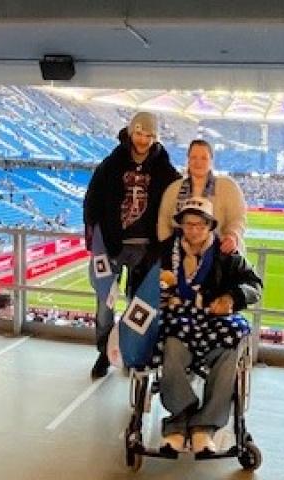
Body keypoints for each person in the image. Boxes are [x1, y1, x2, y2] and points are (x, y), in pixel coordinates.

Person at [142, 197, 262, 455]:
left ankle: (204, 427)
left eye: (200, 224)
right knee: (170, 344)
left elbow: (254, 285)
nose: (194, 230)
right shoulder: (165, 252)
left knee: (230, 349)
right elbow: (141, 282)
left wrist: (231, 298)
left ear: (210, 226)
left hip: (214, 321)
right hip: (178, 320)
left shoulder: (226, 254)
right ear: (181, 225)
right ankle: (178, 422)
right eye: (189, 224)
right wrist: (160, 286)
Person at [84, 112, 181, 378]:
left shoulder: (165, 169)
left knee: (138, 305)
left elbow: (175, 203)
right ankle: (104, 352)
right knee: (105, 304)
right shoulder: (111, 163)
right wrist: (95, 235)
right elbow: (92, 200)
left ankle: (130, 352)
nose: (143, 140)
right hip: (112, 245)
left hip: (146, 249)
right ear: (130, 133)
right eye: (139, 133)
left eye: (149, 135)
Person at [157, 139, 247, 254]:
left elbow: (237, 218)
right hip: (180, 255)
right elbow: (164, 222)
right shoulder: (174, 189)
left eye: (204, 158)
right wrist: (167, 252)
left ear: (211, 161)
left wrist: (232, 236)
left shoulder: (228, 186)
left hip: (220, 253)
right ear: (188, 160)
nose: (198, 162)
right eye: (193, 157)